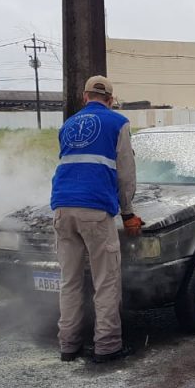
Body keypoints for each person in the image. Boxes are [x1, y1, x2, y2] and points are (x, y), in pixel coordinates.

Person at [50, 75, 143, 364]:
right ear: (111, 99)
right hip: (95, 210)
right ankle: (107, 346)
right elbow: (125, 173)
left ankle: (68, 345)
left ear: (84, 96)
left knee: (70, 281)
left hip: (62, 208)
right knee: (106, 281)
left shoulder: (67, 125)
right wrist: (127, 213)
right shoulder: (118, 123)